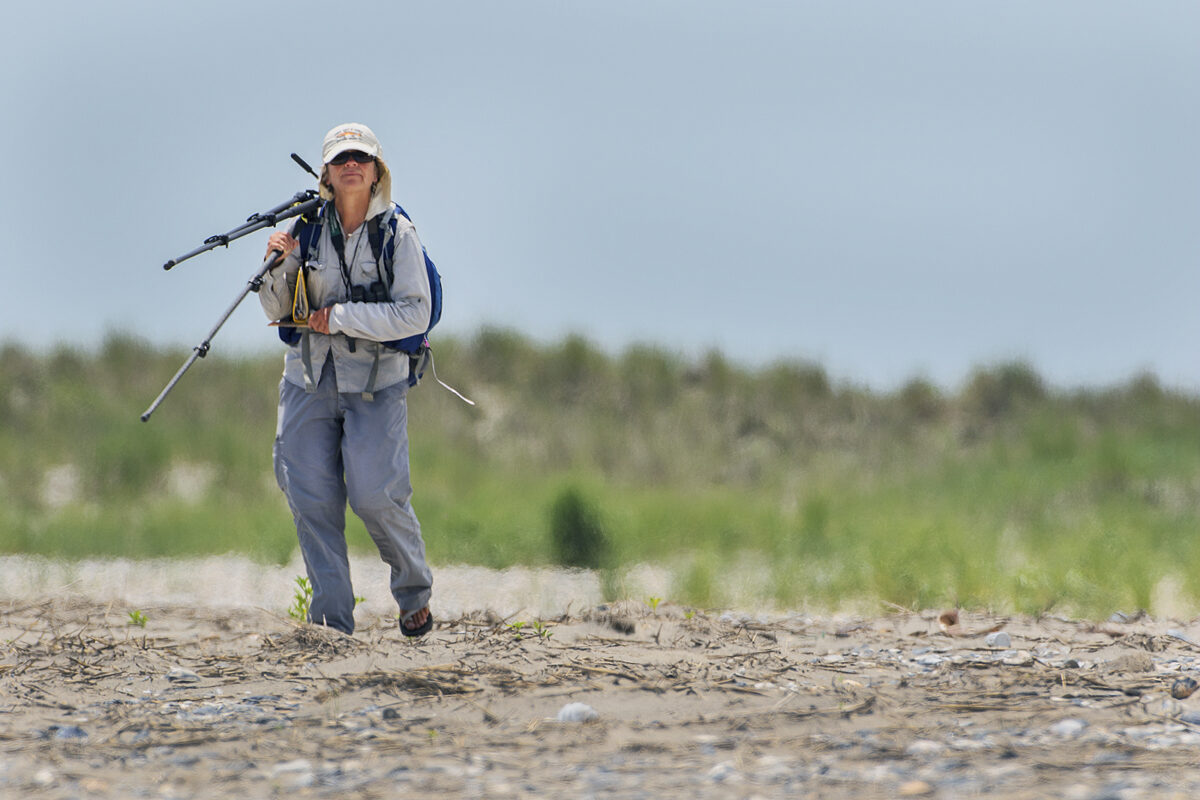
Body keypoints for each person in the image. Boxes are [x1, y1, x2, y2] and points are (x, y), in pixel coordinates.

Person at [258, 122, 434, 637]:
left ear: (377, 170)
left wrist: (340, 317)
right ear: (327, 175)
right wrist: (277, 265)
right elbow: (277, 311)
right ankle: (332, 623)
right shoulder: (305, 227)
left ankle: (413, 590)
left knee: (376, 494)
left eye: (360, 157)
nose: (350, 165)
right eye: (340, 159)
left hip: (377, 384)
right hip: (307, 379)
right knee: (309, 495)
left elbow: (414, 314)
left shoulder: (397, 234)